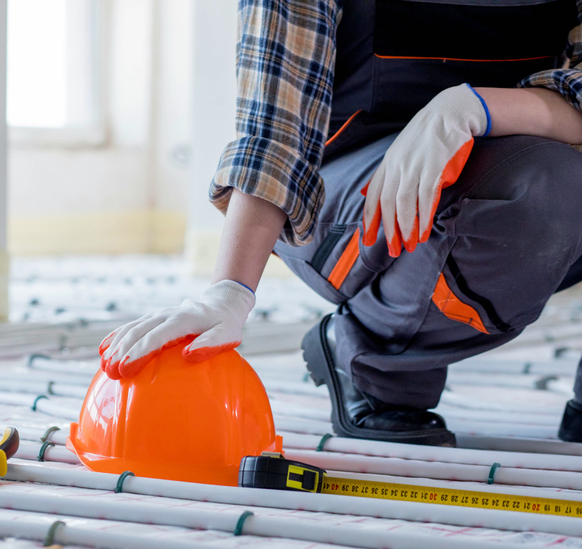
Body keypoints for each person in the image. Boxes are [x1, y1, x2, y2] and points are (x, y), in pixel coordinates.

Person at [99, 0, 582, 447]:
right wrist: (229, 290)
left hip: (517, 146)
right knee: (543, 190)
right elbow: (275, 129)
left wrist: (474, 108)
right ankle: (373, 360)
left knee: (558, 178)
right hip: (341, 197)